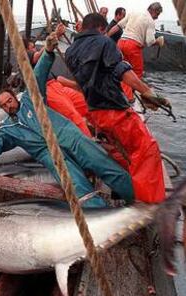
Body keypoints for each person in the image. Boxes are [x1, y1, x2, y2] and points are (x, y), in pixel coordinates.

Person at [0, 26, 134, 208]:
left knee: (102, 163)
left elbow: (38, 74)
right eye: (3, 105)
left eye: (9, 100)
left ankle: (135, 197)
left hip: (68, 135)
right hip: (49, 155)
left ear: (14, 97)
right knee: (76, 186)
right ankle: (103, 215)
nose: (8, 105)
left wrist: (48, 51)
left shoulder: (30, 99)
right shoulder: (8, 130)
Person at [65, 13, 170, 204]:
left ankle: (124, 191)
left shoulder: (70, 52)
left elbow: (86, 81)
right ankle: (151, 207)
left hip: (96, 114)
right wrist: (148, 92)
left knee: (120, 153)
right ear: (100, 28)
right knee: (146, 150)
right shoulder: (104, 43)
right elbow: (121, 70)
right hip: (114, 111)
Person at [108, 2, 165, 101]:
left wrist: (106, 36)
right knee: (136, 73)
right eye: (157, 14)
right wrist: (158, 41)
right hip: (133, 47)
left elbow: (118, 26)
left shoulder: (133, 13)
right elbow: (150, 41)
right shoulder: (150, 21)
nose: (157, 18)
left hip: (121, 43)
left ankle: (116, 92)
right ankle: (128, 98)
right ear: (154, 11)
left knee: (121, 69)